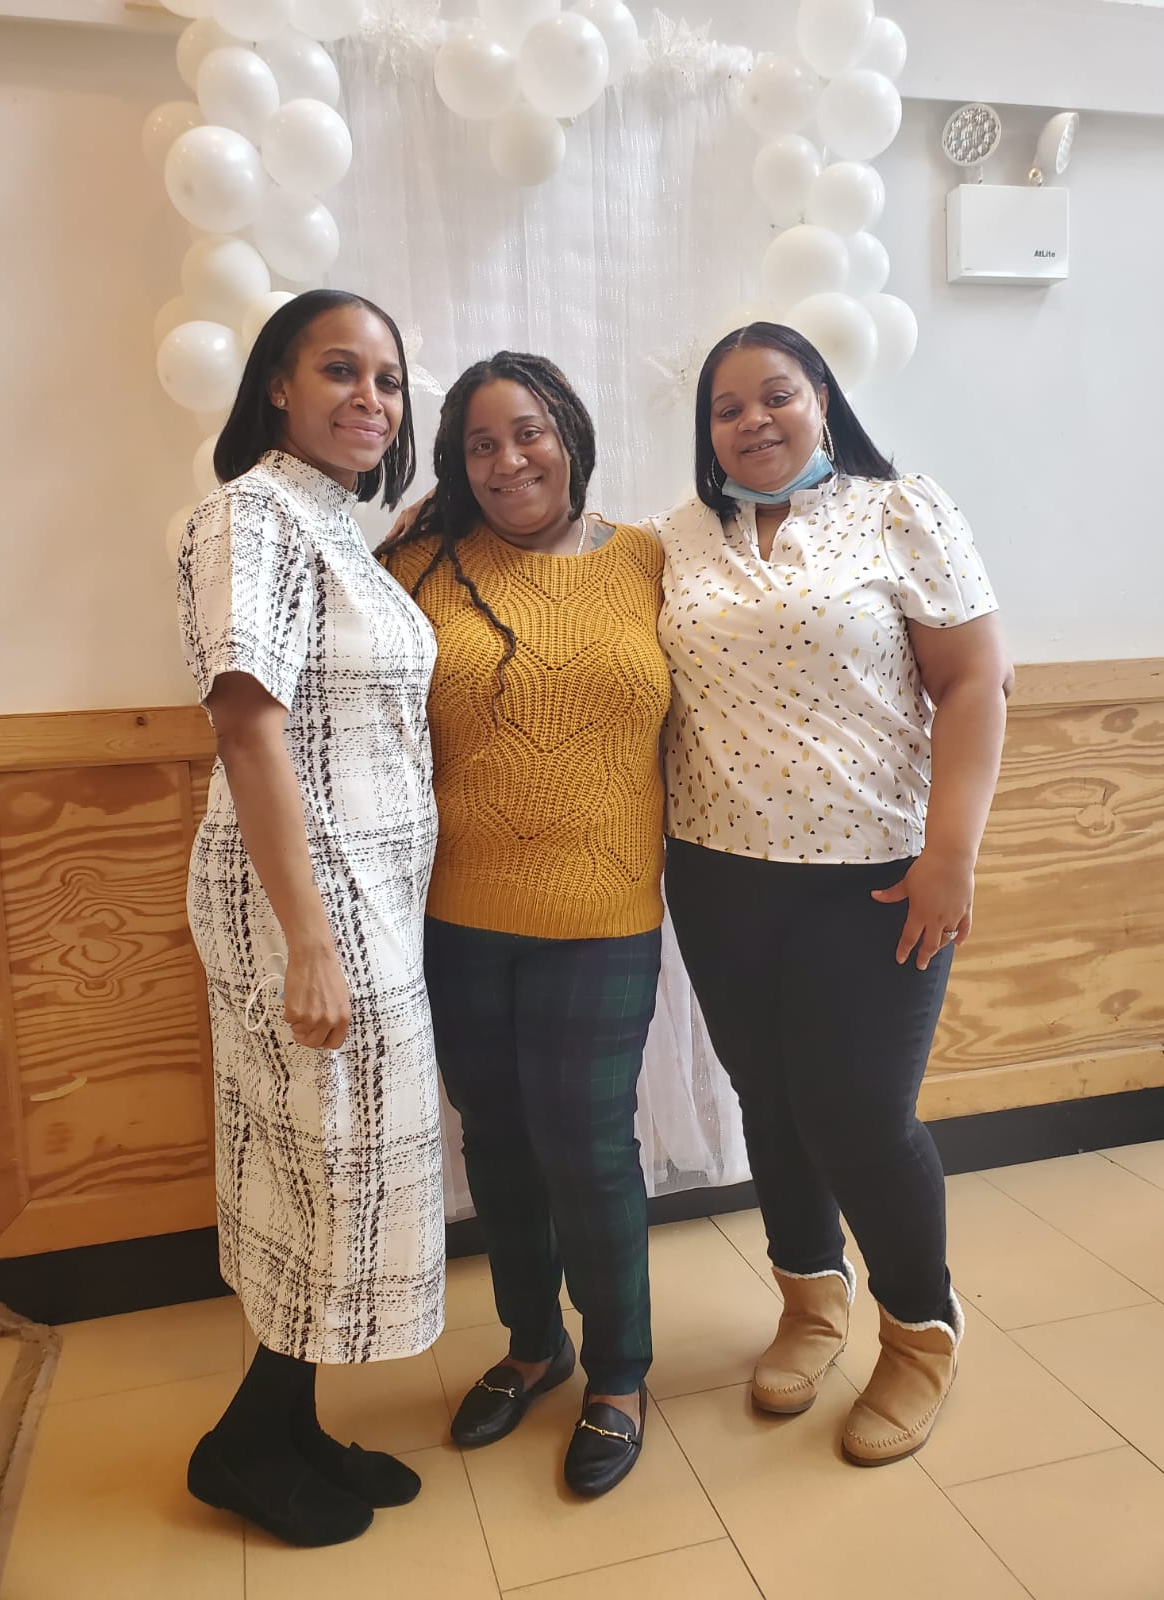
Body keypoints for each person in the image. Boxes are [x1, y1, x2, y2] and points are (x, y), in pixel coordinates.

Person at [656, 322, 1012, 1467]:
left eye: (777, 395)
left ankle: (921, 1330)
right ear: (706, 432)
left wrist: (950, 853)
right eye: (727, 407)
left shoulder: (901, 509)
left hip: (880, 877)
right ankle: (812, 1302)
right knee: (770, 1098)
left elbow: (973, 682)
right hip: (717, 872)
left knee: (860, 1113)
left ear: (823, 400)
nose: (753, 420)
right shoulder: (675, 540)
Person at [176, 289, 444, 1546]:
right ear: (277, 385)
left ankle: (286, 1427)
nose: (370, 397)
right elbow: (248, 721)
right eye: (341, 368)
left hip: (366, 894)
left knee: (333, 1172)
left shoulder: (336, 528)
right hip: (305, 903)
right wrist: (311, 939)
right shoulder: (255, 514)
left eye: (388, 379)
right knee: (319, 1170)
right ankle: (242, 1443)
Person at [382, 352, 669, 1497]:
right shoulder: (422, 564)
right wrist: (390, 544)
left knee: (587, 1145)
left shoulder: (647, 560)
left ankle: (619, 1371)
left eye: (529, 432)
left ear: (570, 435)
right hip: (457, 916)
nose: (509, 461)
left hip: (604, 913)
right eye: (481, 445)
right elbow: (336, 661)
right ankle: (532, 1344)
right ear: (457, 465)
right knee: (495, 1140)